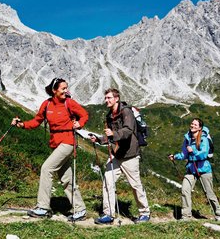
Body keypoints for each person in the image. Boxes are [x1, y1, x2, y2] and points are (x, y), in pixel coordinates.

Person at [11, 78, 88, 222]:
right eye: (63, 88)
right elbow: (36, 121)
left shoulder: (69, 103)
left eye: (66, 88)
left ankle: (43, 208)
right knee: (66, 178)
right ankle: (80, 210)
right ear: (54, 90)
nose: (66, 91)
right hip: (56, 144)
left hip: (67, 142)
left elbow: (84, 114)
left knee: (46, 168)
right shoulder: (46, 105)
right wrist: (21, 124)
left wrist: (79, 123)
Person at [90, 88, 150, 224]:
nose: (106, 100)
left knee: (135, 185)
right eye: (106, 98)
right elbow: (111, 136)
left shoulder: (126, 111)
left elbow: (128, 131)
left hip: (130, 155)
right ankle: (108, 214)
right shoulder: (109, 116)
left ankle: (145, 213)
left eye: (109, 98)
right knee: (107, 182)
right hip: (116, 155)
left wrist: (113, 134)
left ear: (116, 98)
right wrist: (99, 139)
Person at [168, 118, 220, 221]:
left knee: (209, 193)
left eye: (195, 124)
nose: (192, 125)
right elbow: (185, 154)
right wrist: (175, 157)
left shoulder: (203, 138)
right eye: (192, 124)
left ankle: (219, 213)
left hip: (204, 169)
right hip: (191, 168)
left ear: (200, 128)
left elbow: (204, 153)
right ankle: (186, 216)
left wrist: (193, 150)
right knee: (185, 190)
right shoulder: (188, 138)